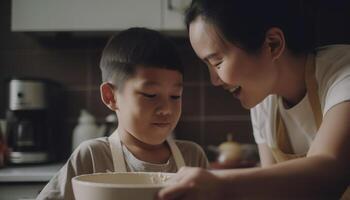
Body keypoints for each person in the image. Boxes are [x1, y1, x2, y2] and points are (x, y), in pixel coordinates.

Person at [158, 0, 350, 199]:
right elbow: (273, 193)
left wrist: (220, 184)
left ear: (272, 44)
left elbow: (329, 173)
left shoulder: (344, 75)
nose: (214, 80)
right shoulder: (265, 100)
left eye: (217, 62)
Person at [37, 27, 209, 200]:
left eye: (175, 96)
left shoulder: (193, 157)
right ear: (110, 96)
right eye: (150, 95)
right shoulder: (92, 156)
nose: (167, 109)